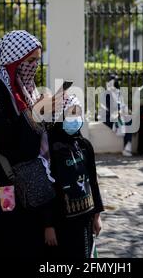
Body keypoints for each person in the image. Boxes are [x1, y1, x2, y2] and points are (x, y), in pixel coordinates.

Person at [0, 30, 56, 258]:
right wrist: (36, 113)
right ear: (13, 59)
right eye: (30, 61)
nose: (34, 66)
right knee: (5, 232)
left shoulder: (26, 87)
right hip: (4, 174)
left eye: (37, 61)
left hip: (29, 173)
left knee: (27, 235)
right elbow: (5, 135)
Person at [47, 95, 104, 258]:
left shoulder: (85, 145)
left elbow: (93, 181)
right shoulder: (50, 148)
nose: (75, 118)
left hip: (85, 219)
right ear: (60, 116)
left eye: (77, 113)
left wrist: (97, 215)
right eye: (70, 113)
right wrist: (48, 225)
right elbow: (47, 189)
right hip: (60, 222)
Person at [101, 75, 133, 157]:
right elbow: (108, 108)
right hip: (108, 117)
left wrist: (125, 111)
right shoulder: (106, 93)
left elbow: (123, 105)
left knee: (129, 120)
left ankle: (127, 147)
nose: (116, 83)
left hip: (118, 115)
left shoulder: (118, 92)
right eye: (114, 81)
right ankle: (126, 146)